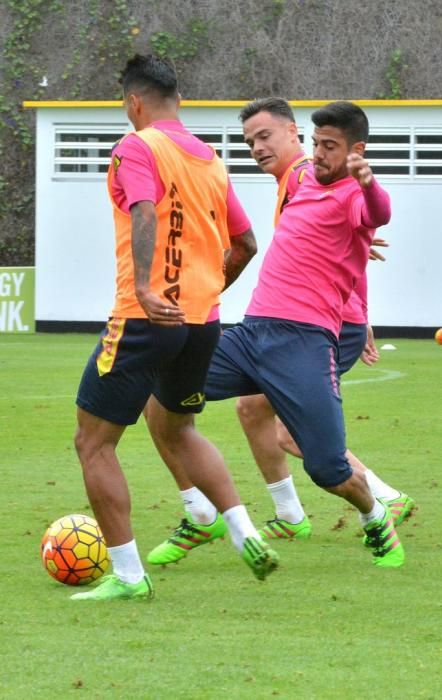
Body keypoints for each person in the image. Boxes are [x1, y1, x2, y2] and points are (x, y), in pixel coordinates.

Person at [146, 98, 413, 565]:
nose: (256, 147)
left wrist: (367, 187)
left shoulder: (343, 186)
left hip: (305, 342)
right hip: (251, 334)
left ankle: (375, 513)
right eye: (249, 141)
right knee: (162, 393)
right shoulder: (306, 180)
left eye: (264, 136)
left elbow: (379, 211)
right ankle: (203, 512)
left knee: (326, 467)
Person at [70, 54, 279, 602]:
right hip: (202, 323)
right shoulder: (210, 159)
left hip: (145, 317)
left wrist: (144, 288)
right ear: (178, 100)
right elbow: (247, 244)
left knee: (93, 443)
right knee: (177, 429)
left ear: (133, 103)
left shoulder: (136, 146)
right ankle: (244, 532)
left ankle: (129, 576)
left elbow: (144, 209)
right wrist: (205, 294)